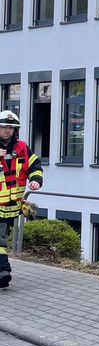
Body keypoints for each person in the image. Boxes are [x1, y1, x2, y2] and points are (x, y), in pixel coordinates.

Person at [0, 110, 43, 288]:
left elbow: (35, 165)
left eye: (11, 127)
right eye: (3, 127)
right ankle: (4, 270)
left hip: (12, 206)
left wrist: (35, 180)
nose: (7, 130)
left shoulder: (22, 148)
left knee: (3, 238)